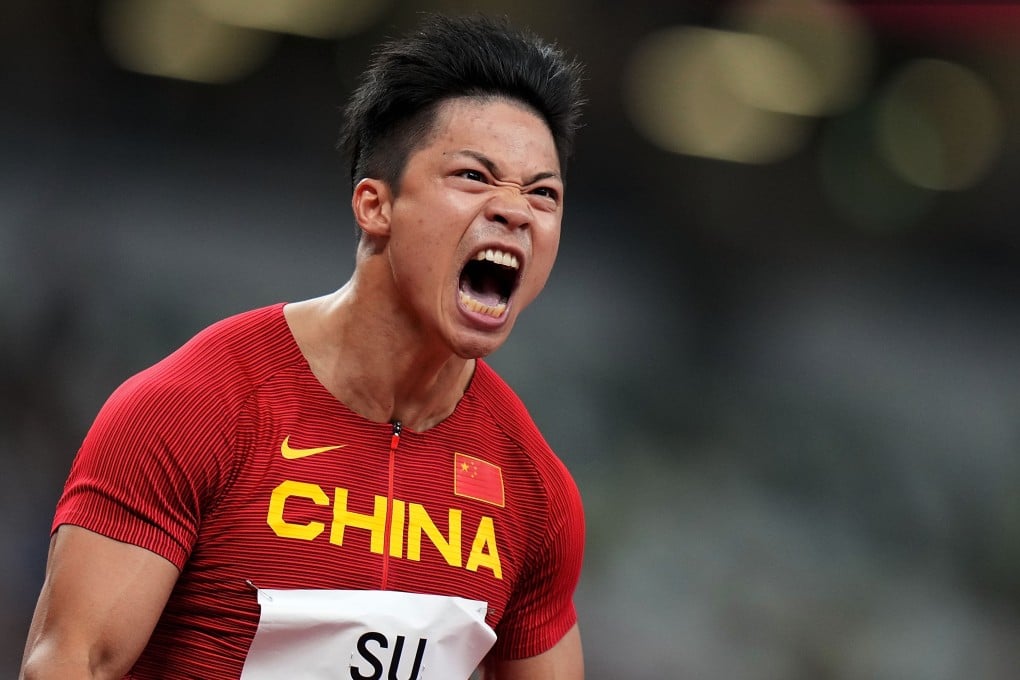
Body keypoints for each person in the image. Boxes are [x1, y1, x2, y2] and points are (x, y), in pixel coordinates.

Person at [19, 13, 586, 680]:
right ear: (375, 205)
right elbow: (71, 664)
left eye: (542, 193)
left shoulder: (534, 491)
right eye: (473, 176)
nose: (515, 211)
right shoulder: (195, 408)